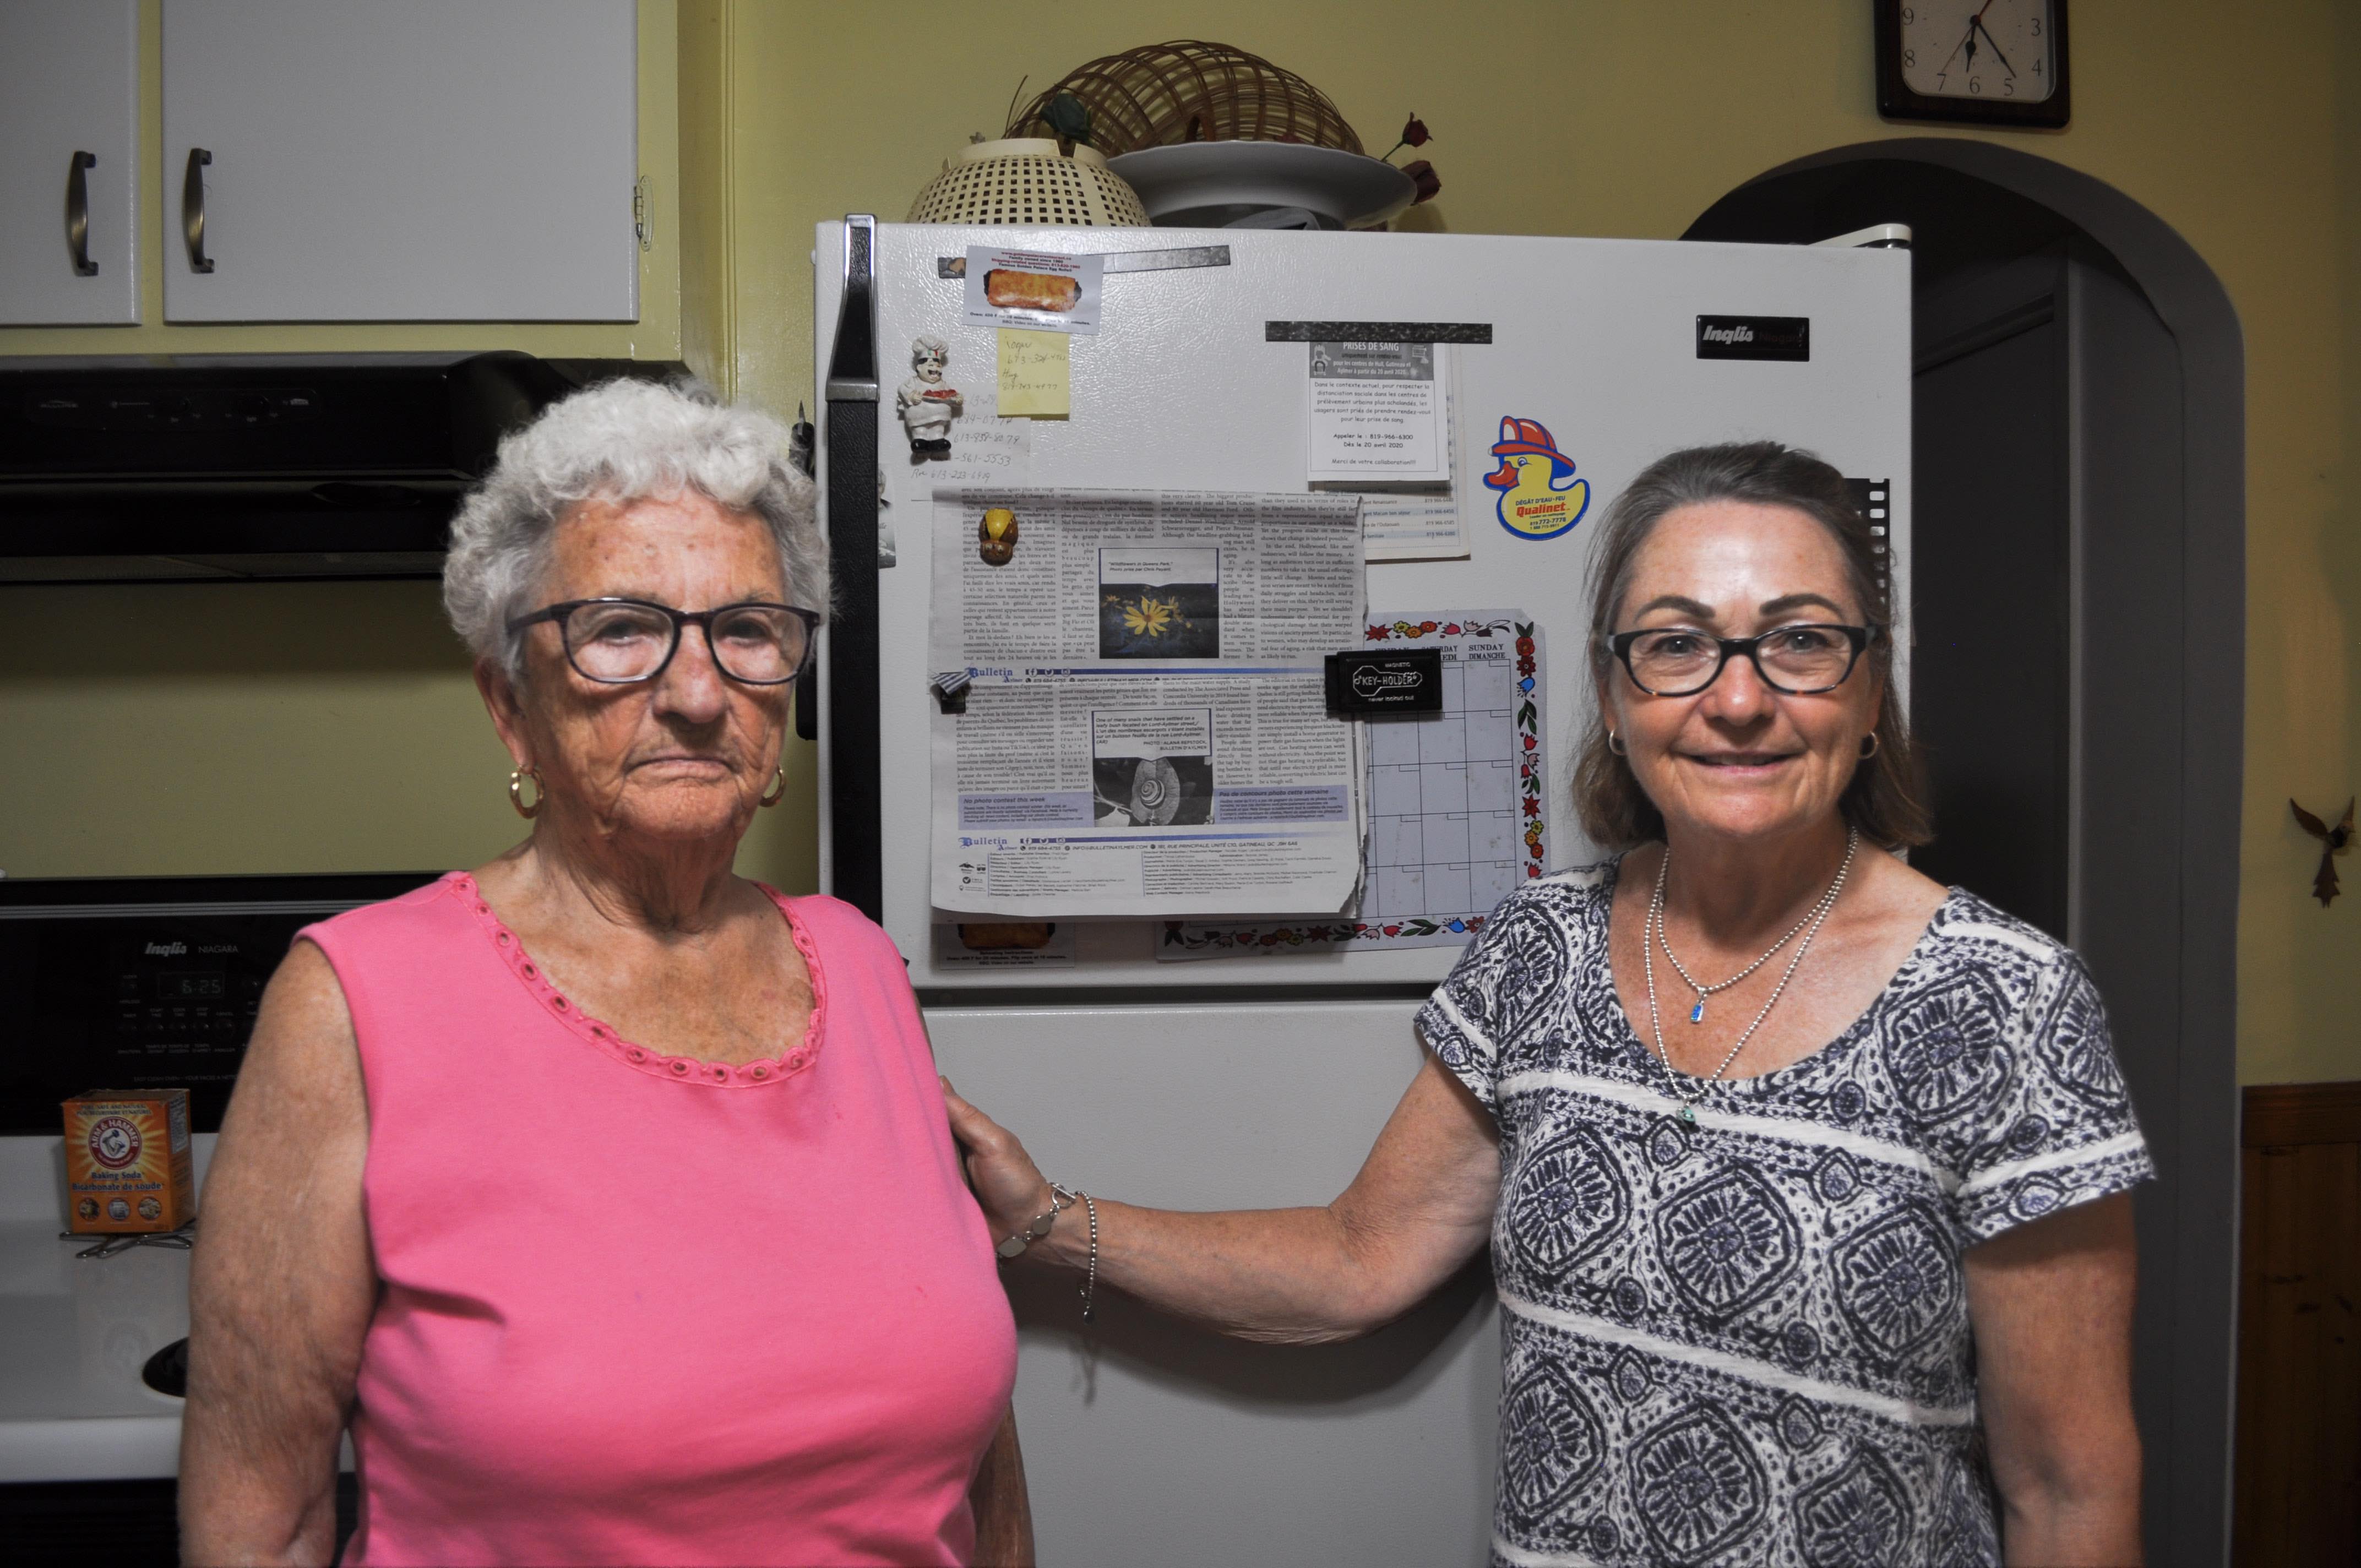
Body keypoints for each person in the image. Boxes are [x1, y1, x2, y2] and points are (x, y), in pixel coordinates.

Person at [947, 442, 2149, 1567]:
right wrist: (1048, 1217)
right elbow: (1358, 1257)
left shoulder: (2003, 999)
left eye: (1798, 640)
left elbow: (2063, 1483)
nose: (1737, 700)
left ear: (1870, 678)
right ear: (1612, 691)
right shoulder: (1541, 944)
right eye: (1675, 644)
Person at [182, 379, 1031, 1567]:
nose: (696, 693)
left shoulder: (858, 961)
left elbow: (979, 1448)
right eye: (619, 629)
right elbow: (257, 1528)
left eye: (745, 629)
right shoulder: (354, 1004)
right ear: (509, 706)